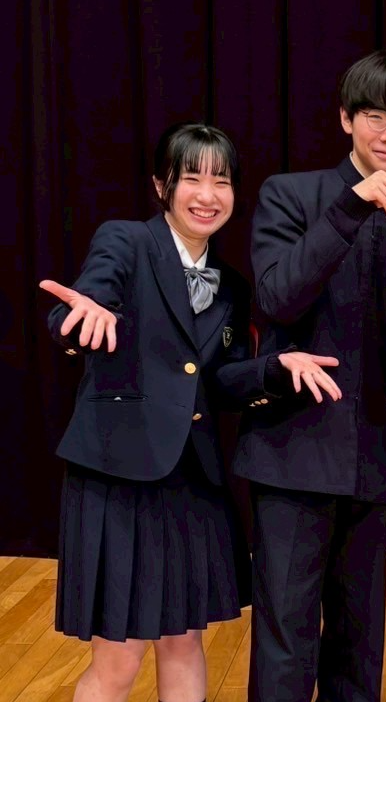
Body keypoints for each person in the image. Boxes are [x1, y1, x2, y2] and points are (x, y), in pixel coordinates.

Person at [41, 122, 335, 702]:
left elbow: (219, 382)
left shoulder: (232, 287)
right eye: (191, 178)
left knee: (184, 642)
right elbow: (87, 301)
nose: (207, 195)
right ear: (161, 185)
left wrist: (275, 369)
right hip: (119, 479)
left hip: (193, 482)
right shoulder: (126, 241)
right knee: (120, 658)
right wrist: (80, 321)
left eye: (221, 181)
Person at [233, 52, 386, 703]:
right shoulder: (291, 195)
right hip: (293, 456)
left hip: (377, 457)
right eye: (377, 116)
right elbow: (276, 297)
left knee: (359, 648)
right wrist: (350, 208)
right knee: (285, 646)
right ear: (346, 118)